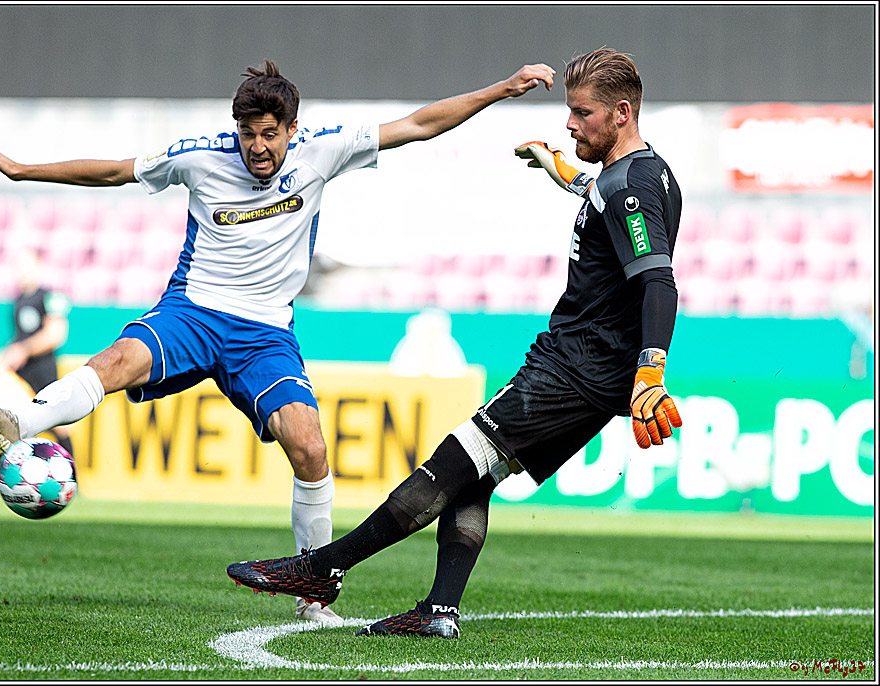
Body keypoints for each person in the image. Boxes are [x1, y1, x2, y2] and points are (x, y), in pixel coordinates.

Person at [0, 59, 556, 625]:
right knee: (116, 361)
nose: (258, 148)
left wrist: (500, 89)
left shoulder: (324, 148)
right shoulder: (197, 158)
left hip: (265, 332)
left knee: (311, 449)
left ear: (292, 129)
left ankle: (315, 593)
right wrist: (20, 168)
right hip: (193, 311)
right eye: (247, 134)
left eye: (270, 134)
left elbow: (420, 125)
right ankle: (22, 423)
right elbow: (114, 171)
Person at [226, 48, 683, 638]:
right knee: (478, 478)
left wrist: (651, 371)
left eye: (581, 114)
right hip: (585, 365)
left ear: (621, 113)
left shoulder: (634, 186)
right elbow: (600, 196)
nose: (569, 124)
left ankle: (323, 567)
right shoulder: (639, 173)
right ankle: (438, 611)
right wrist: (557, 167)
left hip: (579, 367)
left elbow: (656, 280)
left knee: (454, 460)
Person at [0, 248, 75, 458]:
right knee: (6, 420)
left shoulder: (49, 297)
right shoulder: (18, 301)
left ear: (37, 267)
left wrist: (24, 350)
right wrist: (1, 360)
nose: (21, 272)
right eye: (18, 267)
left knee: (58, 423)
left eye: (27, 266)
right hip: (21, 373)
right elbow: (19, 337)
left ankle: (72, 473)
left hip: (42, 370)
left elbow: (55, 335)